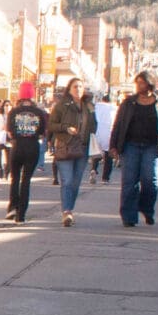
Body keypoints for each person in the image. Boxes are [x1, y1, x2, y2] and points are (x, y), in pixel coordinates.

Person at [110, 73, 158, 228]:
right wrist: (113, 145)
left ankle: (147, 209)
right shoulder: (129, 103)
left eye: (142, 82)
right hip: (130, 145)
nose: (139, 85)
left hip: (153, 146)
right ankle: (129, 216)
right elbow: (118, 124)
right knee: (129, 181)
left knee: (150, 180)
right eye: (137, 83)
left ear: (150, 84)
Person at [48, 78, 92, 225]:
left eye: (80, 86)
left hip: (82, 147)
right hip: (66, 146)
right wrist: (66, 128)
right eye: (75, 87)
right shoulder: (62, 105)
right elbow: (51, 125)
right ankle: (67, 212)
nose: (78, 89)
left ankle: (69, 209)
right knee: (67, 181)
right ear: (69, 89)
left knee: (75, 182)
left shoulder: (88, 106)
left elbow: (93, 127)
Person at [3, 81, 48, 222]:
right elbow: (42, 133)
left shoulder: (13, 112)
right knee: (26, 180)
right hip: (32, 146)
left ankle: (12, 208)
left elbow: (9, 132)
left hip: (17, 146)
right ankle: (21, 215)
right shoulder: (39, 113)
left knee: (14, 178)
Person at [92, 91, 117, 184]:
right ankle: (105, 178)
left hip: (97, 132)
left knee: (97, 154)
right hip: (109, 134)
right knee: (108, 157)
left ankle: (93, 169)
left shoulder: (97, 108)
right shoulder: (114, 109)